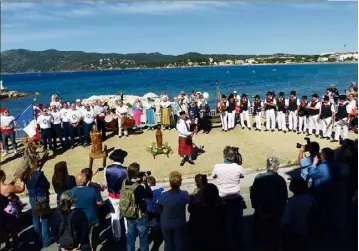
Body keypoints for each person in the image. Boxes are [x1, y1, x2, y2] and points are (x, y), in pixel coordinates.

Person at [250, 156, 288, 251]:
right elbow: (284, 197)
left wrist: (258, 209)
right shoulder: (280, 179)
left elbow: (254, 195)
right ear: (277, 166)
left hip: (261, 211)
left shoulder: (258, 177)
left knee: (262, 238)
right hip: (276, 213)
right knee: (274, 238)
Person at [212, 146, 245, 251]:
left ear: (224, 155)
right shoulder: (237, 167)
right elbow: (242, 176)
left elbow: (213, 176)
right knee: (236, 222)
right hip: (235, 197)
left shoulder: (217, 167)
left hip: (222, 197)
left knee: (222, 222)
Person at [121, 163, 153, 251]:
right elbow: (149, 195)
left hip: (128, 213)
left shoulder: (125, 182)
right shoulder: (139, 188)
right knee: (143, 239)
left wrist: (138, 180)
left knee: (130, 238)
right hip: (140, 215)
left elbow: (132, 183)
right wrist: (145, 183)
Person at [188, 183, 227, 251]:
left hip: (203, 244)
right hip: (220, 243)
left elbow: (191, 210)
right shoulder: (222, 209)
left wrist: (195, 200)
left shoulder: (199, 212)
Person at [158, 171, 190, 251]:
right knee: (179, 245)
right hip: (179, 224)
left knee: (168, 245)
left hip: (166, 224)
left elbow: (158, 210)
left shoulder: (163, 196)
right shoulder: (184, 194)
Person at [280, 178, 315, 251]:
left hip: (297, 234)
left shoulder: (292, 203)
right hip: (311, 232)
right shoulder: (311, 198)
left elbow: (285, 221)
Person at [71, 174, 103, 251]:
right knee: (94, 236)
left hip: (78, 219)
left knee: (82, 238)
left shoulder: (72, 191)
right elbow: (99, 202)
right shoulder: (92, 191)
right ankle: (93, 248)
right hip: (92, 218)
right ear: (85, 181)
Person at [24, 166, 52, 248]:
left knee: (35, 218)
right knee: (44, 219)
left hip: (32, 198)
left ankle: (38, 239)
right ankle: (46, 241)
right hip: (41, 197)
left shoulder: (25, 175)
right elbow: (46, 184)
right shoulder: (39, 174)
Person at [104, 149, 128, 241]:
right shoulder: (125, 170)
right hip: (123, 195)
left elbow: (106, 182)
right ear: (122, 159)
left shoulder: (107, 168)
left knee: (115, 216)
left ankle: (117, 235)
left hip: (112, 196)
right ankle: (127, 232)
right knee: (126, 216)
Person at [0, 170, 25, 249]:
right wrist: (23, 180)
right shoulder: (7, 187)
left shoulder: (7, 187)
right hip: (9, 211)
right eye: (4, 175)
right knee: (13, 226)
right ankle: (16, 241)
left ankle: (7, 244)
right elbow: (21, 189)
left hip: (1, 212)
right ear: (1, 177)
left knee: (3, 228)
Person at [146, 176, 164, 251]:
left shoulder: (146, 191)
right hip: (161, 212)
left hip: (151, 213)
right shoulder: (162, 189)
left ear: (148, 184)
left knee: (153, 228)